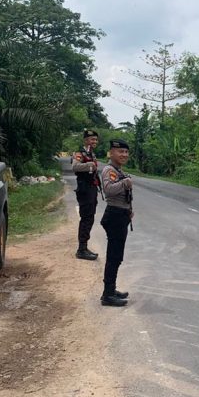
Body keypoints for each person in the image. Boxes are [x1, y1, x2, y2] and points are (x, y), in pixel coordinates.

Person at [99, 139, 135, 307]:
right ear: (111, 153)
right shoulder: (109, 170)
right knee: (114, 256)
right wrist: (124, 183)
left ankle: (111, 290)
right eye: (120, 151)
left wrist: (129, 210)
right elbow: (108, 190)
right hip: (115, 216)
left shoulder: (118, 170)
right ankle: (107, 295)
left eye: (126, 152)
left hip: (120, 215)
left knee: (116, 256)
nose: (124, 155)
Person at [72, 128, 102, 261]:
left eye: (96, 139)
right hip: (85, 190)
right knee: (86, 218)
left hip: (91, 189)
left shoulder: (92, 153)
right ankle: (81, 249)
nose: (94, 141)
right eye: (92, 139)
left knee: (90, 217)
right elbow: (75, 167)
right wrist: (89, 165)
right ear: (85, 140)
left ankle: (84, 247)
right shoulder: (80, 153)